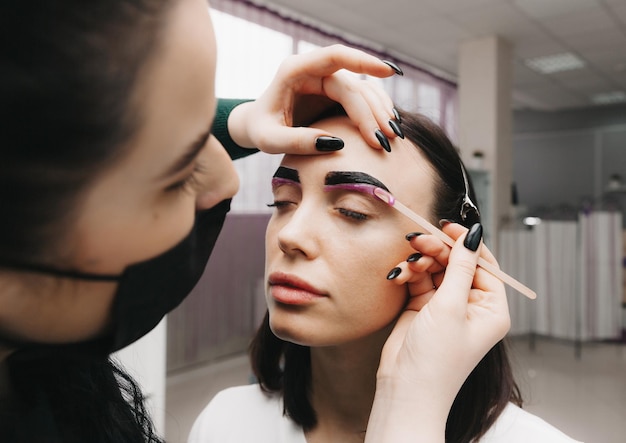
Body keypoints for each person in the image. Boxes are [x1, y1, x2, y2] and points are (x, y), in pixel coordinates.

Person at [0, 0, 409, 441]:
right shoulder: (224, 423)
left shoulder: (47, 384)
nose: (228, 182)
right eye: (180, 173)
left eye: (351, 210)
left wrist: (237, 121)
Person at [188, 110, 581, 442]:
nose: (290, 236)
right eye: (284, 202)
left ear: (444, 253)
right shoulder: (224, 424)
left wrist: (409, 406)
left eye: (353, 211)